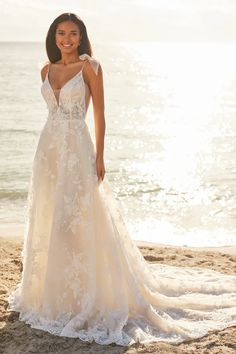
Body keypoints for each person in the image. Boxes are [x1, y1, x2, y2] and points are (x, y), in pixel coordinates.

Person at [7, 12, 236, 347]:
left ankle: (87, 290)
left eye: (73, 34)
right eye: (61, 34)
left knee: (76, 220)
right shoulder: (45, 69)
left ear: (81, 37)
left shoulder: (91, 68)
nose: (66, 39)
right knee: (50, 218)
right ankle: (55, 292)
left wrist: (100, 156)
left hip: (77, 148)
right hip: (48, 153)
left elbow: (99, 114)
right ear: (53, 37)